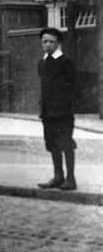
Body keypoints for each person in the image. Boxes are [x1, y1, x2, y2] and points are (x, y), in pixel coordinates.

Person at [36, 27, 78, 191]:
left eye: (51, 41)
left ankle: (71, 179)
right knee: (52, 144)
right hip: (48, 112)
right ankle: (58, 177)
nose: (47, 45)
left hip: (64, 113)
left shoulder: (66, 62)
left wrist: (67, 105)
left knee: (65, 143)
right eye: (44, 41)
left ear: (58, 43)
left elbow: (75, 87)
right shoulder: (43, 63)